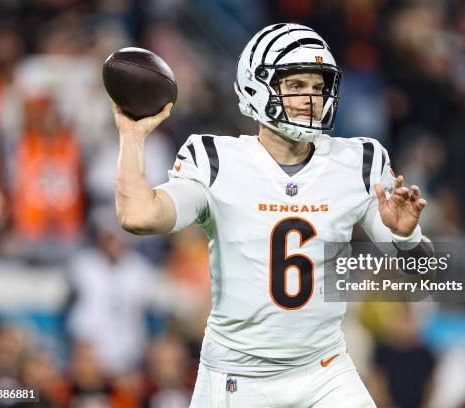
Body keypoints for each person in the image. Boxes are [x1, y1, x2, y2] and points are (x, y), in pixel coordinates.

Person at [112, 23, 430, 407]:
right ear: (254, 87)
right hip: (237, 375)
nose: (311, 99)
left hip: (323, 370)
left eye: (317, 86)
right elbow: (139, 216)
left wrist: (407, 237)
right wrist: (131, 138)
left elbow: (423, 271)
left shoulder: (358, 162)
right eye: (296, 86)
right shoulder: (215, 160)